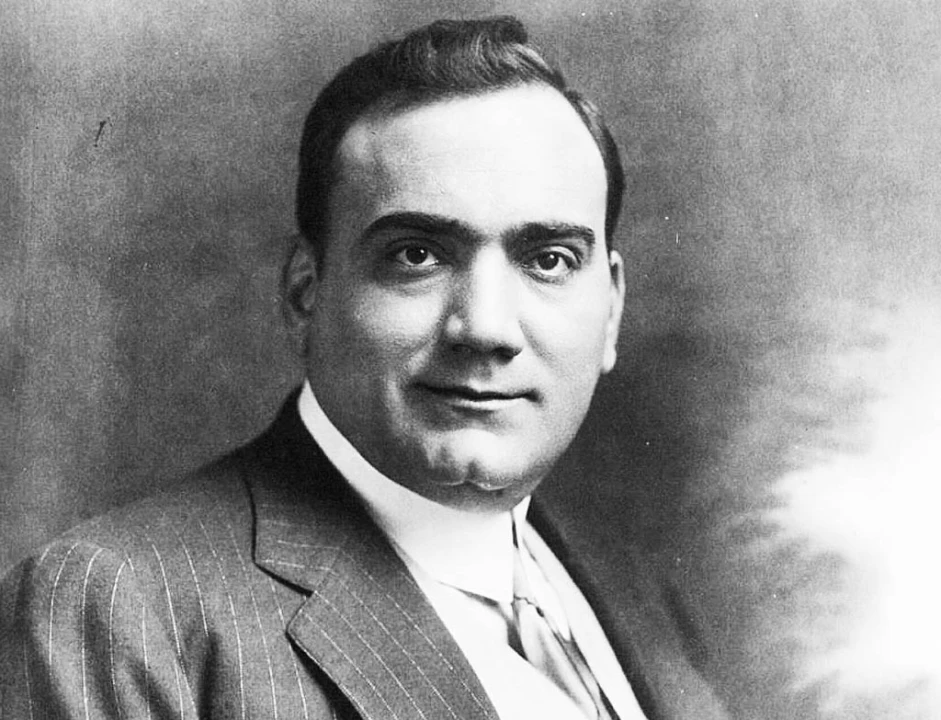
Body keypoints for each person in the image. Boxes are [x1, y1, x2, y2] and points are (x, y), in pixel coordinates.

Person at [0, 16, 727, 720]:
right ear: (305, 293)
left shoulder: (626, 588)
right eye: (418, 255)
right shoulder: (117, 609)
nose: (485, 328)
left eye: (549, 260)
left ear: (610, 309)